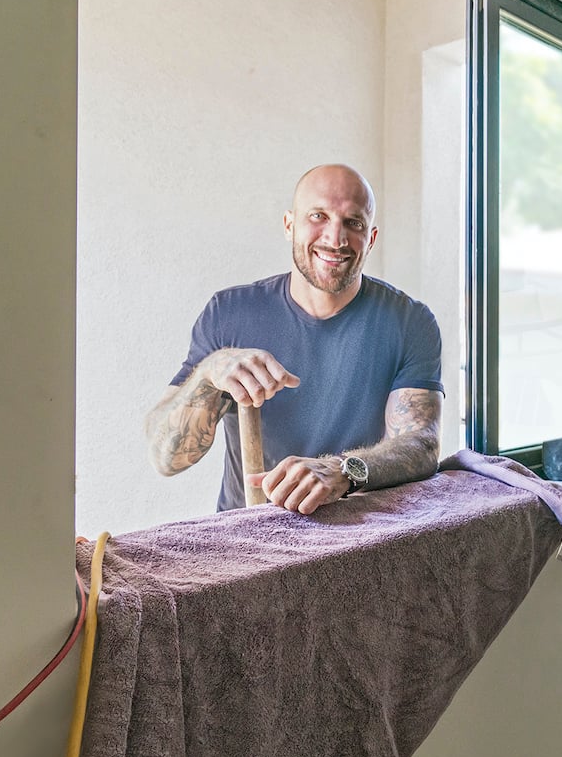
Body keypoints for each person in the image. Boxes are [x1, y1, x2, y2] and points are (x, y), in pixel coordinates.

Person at [146, 163, 444, 516]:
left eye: (353, 222)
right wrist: (209, 373)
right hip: (249, 534)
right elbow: (166, 458)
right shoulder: (228, 314)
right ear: (289, 225)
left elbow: (421, 445)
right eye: (318, 216)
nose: (335, 238)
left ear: (371, 238)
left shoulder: (410, 321)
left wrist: (343, 471)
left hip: (360, 532)